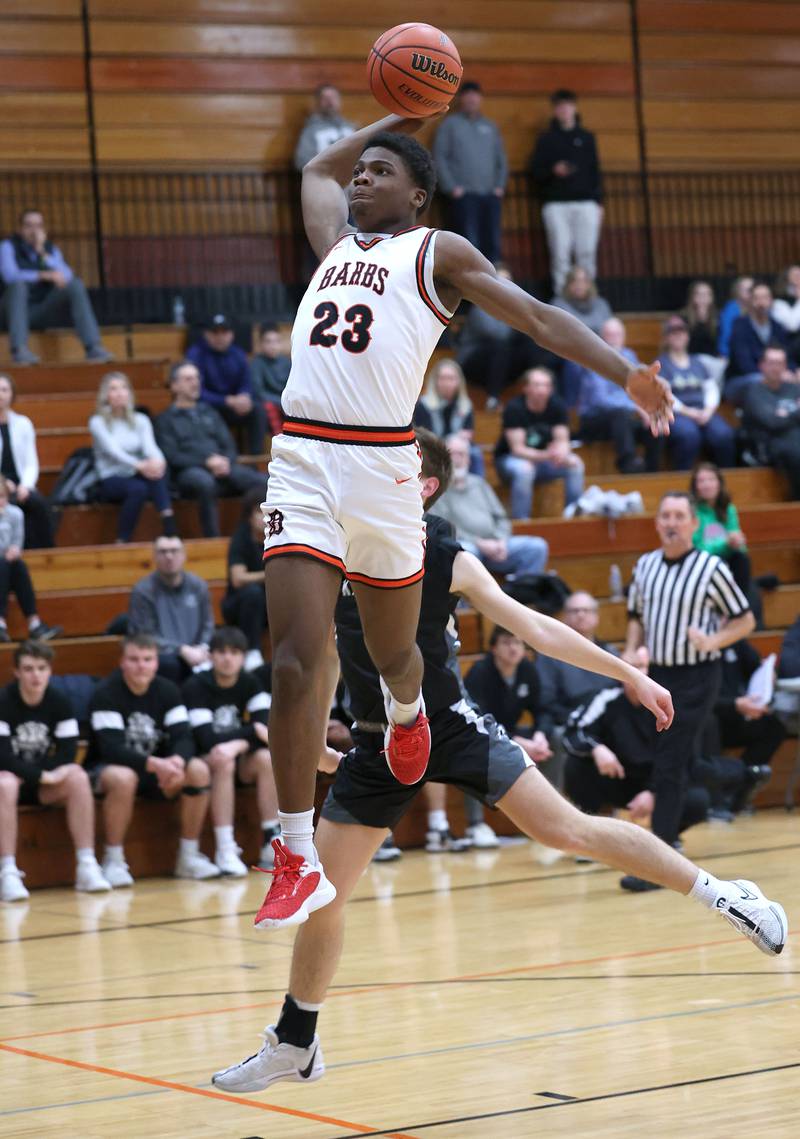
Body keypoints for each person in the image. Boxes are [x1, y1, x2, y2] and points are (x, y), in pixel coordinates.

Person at [212, 435, 784, 1095]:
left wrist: (627, 671)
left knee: (569, 829)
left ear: (424, 486)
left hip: (449, 725)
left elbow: (535, 626)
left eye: (398, 464)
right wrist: (314, 746)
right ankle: (296, 1040)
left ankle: (727, 895)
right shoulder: (338, 545)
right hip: (376, 743)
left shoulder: (447, 555)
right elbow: (329, 661)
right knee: (325, 896)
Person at [257, 107, 674, 929]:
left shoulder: (436, 252)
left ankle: (410, 714)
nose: (363, 177)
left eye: (384, 171)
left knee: (394, 654)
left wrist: (625, 372)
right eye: (363, 169)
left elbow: (540, 318)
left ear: (419, 196)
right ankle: (295, 850)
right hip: (303, 459)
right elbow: (313, 172)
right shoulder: (334, 245)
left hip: (383, 467)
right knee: (294, 663)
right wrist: (406, 113)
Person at [623, 492, 755, 890]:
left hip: (698, 676)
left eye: (680, 516)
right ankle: (739, 775)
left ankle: (658, 866)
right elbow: (635, 615)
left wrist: (713, 642)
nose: (672, 522)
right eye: (665, 515)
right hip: (659, 674)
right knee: (679, 761)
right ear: (657, 522)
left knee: (669, 762)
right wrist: (630, 653)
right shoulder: (645, 565)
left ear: (693, 525)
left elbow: (745, 620)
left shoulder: (711, 568)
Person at [86, 633, 219, 885]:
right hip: (107, 769)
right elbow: (112, 748)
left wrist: (178, 761)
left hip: (159, 769)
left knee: (198, 769)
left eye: (147, 659)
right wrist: (156, 764)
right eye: (134, 659)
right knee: (123, 777)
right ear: (122, 662)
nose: (141, 666)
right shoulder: (106, 693)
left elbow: (184, 736)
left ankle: (188, 856)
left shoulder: (167, 690)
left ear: (156, 662)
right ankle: (113, 860)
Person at [0, 640, 110, 901]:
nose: (35, 675)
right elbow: (2, 757)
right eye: (28, 669)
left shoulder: (60, 701)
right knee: (5, 783)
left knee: (78, 777)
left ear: (50, 671)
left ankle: (86, 864)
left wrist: (48, 775)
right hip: (11, 780)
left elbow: (67, 752)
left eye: (41, 668)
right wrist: (40, 775)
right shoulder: (3, 700)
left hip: (40, 783)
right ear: (16, 672)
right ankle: (8, 872)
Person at [564, 647, 710, 838]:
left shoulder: (669, 703)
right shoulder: (605, 698)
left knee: (698, 801)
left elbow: (680, 755)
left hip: (656, 781)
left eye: (644, 666)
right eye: (633, 667)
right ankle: (589, 835)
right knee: (575, 766)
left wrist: (653, 792)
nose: (640, 673)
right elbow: (573, 732)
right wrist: (596, 748)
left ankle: (665, 836)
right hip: (616, 778)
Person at [183, 627, 277, 875]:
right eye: (221, 652)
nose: (228, 658)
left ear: (243, 657)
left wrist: (238, 743)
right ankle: (225, 848)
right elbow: (206, 738)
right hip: (205, 757)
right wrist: (248, 734)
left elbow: (266, 732)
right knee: (222, 759)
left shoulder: (250, 683)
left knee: (266, 759)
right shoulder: (196, 686)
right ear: (211, 656)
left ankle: (271, 840)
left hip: (238, 756)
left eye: (235, 652)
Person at [155, 360, 263, 537]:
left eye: (197, 378)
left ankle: (251, 536)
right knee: (205, 482)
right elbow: (172, 456)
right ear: (174, 386)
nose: (195, 382)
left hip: (222, 467)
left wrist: (225, 461)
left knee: (262, 481)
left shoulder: (210, 412)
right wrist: (206, 462)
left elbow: (228, 445)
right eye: (188, 379)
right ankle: (212, 539)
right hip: (189, 472)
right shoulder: (164, 420)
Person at [0, 208, 111, 366]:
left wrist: (42, 252)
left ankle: (93, 346)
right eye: (29, 225)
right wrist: (42, 275)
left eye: (38, 226)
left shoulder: (50, 250)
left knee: (75, 285)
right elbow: (10, 276)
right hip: (10, 313)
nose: (34, 230)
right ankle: (19, 350)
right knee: (18, 286)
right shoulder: (7, 246)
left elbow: (67, 276)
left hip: (39, 311)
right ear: (20, 229)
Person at [429, 433, 548, 578]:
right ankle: (468, 601)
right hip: (468, 546)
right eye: (452, 454)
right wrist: (479, 543)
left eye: (462, 454)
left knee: (537, 547)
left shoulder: (480, 483)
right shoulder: (438, 489)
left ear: (468, 459)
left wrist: (501, 540)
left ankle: (521, 591)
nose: (457, 459)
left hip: (496, 544)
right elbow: (443, 528)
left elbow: (501, 517)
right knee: (466, 552)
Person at [535, 590, 620, 788]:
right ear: (564, 617)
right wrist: (579, 722)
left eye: (586, 610)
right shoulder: (550, 655)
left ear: (596, 617)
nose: (580, 615)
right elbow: (547, 702)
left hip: (606, 726)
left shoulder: (611, 654)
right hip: (568, 725)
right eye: (574, 610)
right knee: (558, 737)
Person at [529, 89, 603, 294]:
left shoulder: (587, 138)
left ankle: (588, 297)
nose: (564, 110)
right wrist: (553, 170)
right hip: (556, 203)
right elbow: (535, 171)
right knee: (560, 254)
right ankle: (563, 301)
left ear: (574, 108)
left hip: (586, 202)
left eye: (567, 105)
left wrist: (598, 202)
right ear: (555, 110)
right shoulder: (546, 139)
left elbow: (595, 170)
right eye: (559, 106)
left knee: (586, 253)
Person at [89, 371, 176, 543]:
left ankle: (169, 522)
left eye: (124, 388)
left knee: (158, 472)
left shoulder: (140, 419)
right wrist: (141, 465)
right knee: (138, 489)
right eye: (113, 389)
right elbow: (114, 451)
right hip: (111, 476)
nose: (120, 393)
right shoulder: (97, 422)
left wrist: (159, 461)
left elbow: (150, 447)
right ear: (105, 396)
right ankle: (122, 538)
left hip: (138, 471)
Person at [703, 638, 786, 814]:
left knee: (774, 727)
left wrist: (770, 676)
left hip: (738, 716)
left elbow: (758, 668)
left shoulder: (735, 642)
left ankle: (741, 784)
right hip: (711, 718)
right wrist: (734, 704)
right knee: (709, 723)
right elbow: (699, 700)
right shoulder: (698, 649)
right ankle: (715, 801)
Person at [570, 317, 659, 472]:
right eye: (609, 335)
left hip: (622, 418)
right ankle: (628, 466)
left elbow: (639, 388)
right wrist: (637, 408)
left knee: (655, 420)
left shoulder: (629, 355)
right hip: (593, 419)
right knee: (621, 414)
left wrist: (647, 408)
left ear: (623, 337)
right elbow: (602, 400)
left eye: (617, 335)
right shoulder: (594, 358)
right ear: (602, 337)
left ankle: (652, 469)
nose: (613, 339)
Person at [432, 81, 507, 263]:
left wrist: (499, 186)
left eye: (476, 94)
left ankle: (493, 285)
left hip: (490, 195)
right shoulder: (450, 125)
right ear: (461, 99)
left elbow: (501, 159)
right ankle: (467, 289)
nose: (472, 98)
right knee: (467, 244)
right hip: (463, 197)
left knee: (492, 244)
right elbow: (439, 156)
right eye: (468, 94)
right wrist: (451, 187)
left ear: (480, 99)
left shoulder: (490, 126)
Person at [455, 264, 551, 408]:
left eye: (508, 281)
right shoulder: (480, 306)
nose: (504, 286)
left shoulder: (515, 307)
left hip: (502, 363)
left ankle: (539, 389)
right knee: (500, 346)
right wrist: (521, 318)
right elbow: (499, 334)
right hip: (472, 363)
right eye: (499, 281)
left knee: (530, 345)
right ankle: (493, 399)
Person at [494, 367, 584, 518]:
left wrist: (561, 453)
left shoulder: (557, 405)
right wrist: (549, 455)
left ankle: (573, 515)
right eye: (537, 385)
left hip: (545, 460)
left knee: (575, 464)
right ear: (526, 388)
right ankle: (521, 522)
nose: (542, 390)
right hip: (510, 460)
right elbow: (518, 449)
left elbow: (563, 440)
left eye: (546, 385)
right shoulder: (514, 408)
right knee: (524, 470)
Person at [464, 625, 553, 772]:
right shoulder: (479, 672)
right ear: (494, 648)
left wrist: (541, 734)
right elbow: (479, 721)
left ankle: (549, 790)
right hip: (482, 736)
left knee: (553, 737)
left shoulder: (527, 669)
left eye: (517, 642)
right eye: (506, 642)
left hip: (510, 732)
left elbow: (543, 708)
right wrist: (517, 741)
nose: (513, 648)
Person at [127, 536, 214, 683]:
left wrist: (203, 647)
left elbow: (208, 624)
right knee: (169, 664)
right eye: (163, 552)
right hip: (164, 657)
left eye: (174, 551)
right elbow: (145, 635)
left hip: (198, 653)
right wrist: (181, 650)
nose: (169, 556)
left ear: (184, 555)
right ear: (154, 557)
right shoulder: (142, 591)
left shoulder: (199, 586)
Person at [657, 315, 736, 469]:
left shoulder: (698, 362)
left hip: (704, 410)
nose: (678, 335)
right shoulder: (661, 364)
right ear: (666, 338)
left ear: (688, 336)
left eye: (682, 331)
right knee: (688, 436)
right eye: (673, 332)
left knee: (724, 435)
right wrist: (688, 412)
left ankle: (724, 480)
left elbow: (711, 388)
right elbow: (663, 395)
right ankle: (681, 479)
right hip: (677, 414)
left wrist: (707, 411)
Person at [186, 314, 266, 456]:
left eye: (224, 332)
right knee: (204, 412)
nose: (220, 337)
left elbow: (247, 383)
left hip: (234, 407)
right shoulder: (195, 355)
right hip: (209, 407)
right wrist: (227, 401)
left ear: (232, 334)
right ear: (206, 334)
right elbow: (196, 392)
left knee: (258, 410)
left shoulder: (238, 354)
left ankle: (256, 459)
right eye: (215, 332)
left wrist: (244, 396)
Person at [0, 476, 60, 644]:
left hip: (7, 564)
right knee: (3, 565)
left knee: (18, 565)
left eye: (2, 497)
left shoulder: (15, 513)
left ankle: (34, 623)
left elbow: (17, 541)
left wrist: (14, 550)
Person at [0, 373, 54, 548]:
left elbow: (31, 462)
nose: (0, 394)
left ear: (11, 394)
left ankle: (48, 554)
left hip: (20, 484)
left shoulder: (23, 423)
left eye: (4, 390)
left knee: (39, 504)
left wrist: (26, 485)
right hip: (1, 486)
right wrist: (3, 484)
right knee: (11, 506)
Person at [742, 346, 800, 499]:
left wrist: (786, 414)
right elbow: (771, 422)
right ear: (762, 365)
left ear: (786, 366)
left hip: (795, 438)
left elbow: (778, 419)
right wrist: (796, 411)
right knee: (795, 451)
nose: (776, 367)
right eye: (772, 362)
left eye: (780, 363)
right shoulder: (754, 392)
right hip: (769, 445)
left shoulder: (794, 388)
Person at [221, 487, 269, 664]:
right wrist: (269, 575)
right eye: (259, 512)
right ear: (249, 516)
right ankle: (252, 652)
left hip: (268, 604)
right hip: (238, 605)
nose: (264, 517)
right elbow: (238, 579)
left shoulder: (280, 536)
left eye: (267, 511)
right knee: (253, 593)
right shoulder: (241, 538)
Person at [690, 461, 752, 598]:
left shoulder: (729, 509)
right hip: (702, 565)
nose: (707, 485)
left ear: (719, 483)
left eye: (711, 480)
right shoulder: (692, 512)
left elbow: (741, 547)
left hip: (727, 561)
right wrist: (726, 543)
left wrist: (737, 542)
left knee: (741, 559)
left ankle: (740, 606)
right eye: (701, 481)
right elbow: (697, 549)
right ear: (695, 487)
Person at [726, 282, 794, 404]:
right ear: (750, 301)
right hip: (742, 381)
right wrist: (774, 375)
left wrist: (792, 371)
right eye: (757, 298)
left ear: (771, 301)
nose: (761, 303)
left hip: (773, 378)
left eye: (765, 298)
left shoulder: (777, 326)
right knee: (757, 380)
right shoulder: (740, 325)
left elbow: (788, 357)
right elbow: (744, 365)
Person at [413, 358, 483, 474]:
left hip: (457, 446)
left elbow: (468, 432)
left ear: (459, 381)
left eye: (451, 378)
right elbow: (422, 435)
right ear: (435, 381)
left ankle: (475, 487)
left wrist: (459, 439)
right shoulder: (423, 405)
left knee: (474, 452)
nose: (446, 383)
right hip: (433, 447)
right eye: (442, 378)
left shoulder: (465, 405)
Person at [293, 85, 354, 170]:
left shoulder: (350, 127)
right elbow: (301, 161)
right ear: (318, 102)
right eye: (325, 98)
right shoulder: (311, 131)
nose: (330, 102)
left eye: (333, 97)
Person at [249, 322, 290, 434]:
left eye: (277, 341)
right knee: (268, 407)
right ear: (261, 344)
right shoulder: (257, 363)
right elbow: (259, 392)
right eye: (268, 341)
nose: (273, 346)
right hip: (271, 404)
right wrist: (280, 402)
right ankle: (278, 438)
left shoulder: (286, 362)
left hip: (285, 403)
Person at [551, 266, 612, 336]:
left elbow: (610, 331)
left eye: (583, 281)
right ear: (568, 284)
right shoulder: (558, 305)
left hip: (599, 345)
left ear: (589, 284)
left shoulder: (601, 305)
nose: (579, 285)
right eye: (574, 281)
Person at [718, 275, 753, 358]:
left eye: (751, 288)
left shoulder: (760, 307)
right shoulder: (730, 308)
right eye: (744, 288)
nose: (748, 291)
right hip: (731, 355)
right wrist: (724, 354)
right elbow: (726, 335)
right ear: (737, 291)